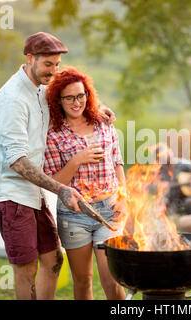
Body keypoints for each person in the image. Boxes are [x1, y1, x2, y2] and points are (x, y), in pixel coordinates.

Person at [0, 32, 115, 300]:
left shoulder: (41, 88)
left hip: (33, 194)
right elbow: (17, 161)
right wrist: (61, 189)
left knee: (54, 259)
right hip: (10, 195)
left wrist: (97, 108)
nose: (53, 71)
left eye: (57, 64)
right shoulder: (13, 98)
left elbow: (72, 97)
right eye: (48, 64)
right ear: (29, 58)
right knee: (26, 269)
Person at [43, 67, 126, 300]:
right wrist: (76, 161)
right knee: (83, 281)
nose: (76, 102)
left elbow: (117, 162)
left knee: (112, 279)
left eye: (80, 95)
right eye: (69, 97)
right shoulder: (53, 134)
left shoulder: (103, 123)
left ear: (87, 95)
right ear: (58, 100)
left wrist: (123, 197)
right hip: (74, 214)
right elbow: (53, 182)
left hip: (109, 209)